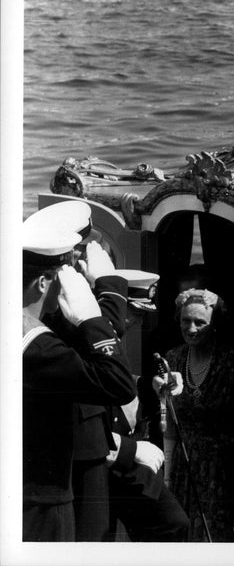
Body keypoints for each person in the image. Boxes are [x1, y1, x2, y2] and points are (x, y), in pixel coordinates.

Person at [22, 224, 136, 541]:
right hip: (42, 500)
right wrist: (90, 315)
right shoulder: (37, 347)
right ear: (44, 282)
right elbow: (119, 383)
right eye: (63, 278)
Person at [159, 287, 234, 542]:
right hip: (184, 466)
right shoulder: (173, 358)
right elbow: (169, 418)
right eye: (185, 320)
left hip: (221, 469)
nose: (191, 328)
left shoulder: (232, 361)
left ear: (214, 325)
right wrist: (168, 470)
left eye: (200, 322)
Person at [105, 270, 190, 542]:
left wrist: (150, 384)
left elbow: (114, 381)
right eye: (136, 312)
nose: (138, 321)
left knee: (172, 524)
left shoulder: (114, 334)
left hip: (121, 455)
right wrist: (130, 449)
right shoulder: (95, 335)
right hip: (105, 453)